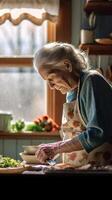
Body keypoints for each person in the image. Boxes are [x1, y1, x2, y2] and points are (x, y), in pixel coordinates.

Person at [33, 42, 112, 167]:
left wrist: (56, 148)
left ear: (67, 65)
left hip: (102, 167)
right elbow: (74, 135)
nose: (51, 87)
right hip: (80, 168)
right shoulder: (72, 92)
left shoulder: (92, 81)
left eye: (51, 78)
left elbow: (98, 133)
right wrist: (55, 148)